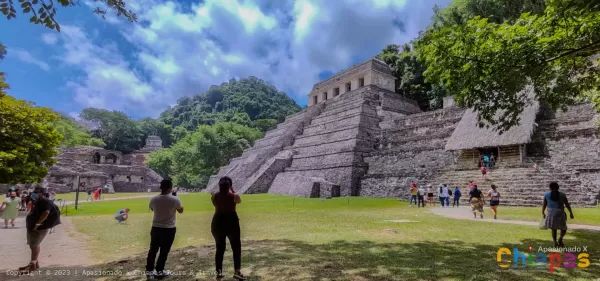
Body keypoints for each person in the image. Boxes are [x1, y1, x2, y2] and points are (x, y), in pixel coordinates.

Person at [146, 179, 183, 280]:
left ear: (160, 187)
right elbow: (181, 210)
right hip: (169, 229)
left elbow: (153, 209)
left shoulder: (154, 199)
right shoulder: (175, 199)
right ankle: (159, 270)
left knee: (153, 250)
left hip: (156, 228)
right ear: (170, 188)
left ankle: (149, 272)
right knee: (164, 251)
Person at [211, 176, 246, 280]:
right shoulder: (235, 196)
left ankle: (219, 272)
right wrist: (232, 190)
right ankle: (237, 271)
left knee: (220, 248)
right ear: (230, 185)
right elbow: (238, 201)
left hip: (218, 221)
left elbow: (215, 204)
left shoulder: (214, 196)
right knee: (236, 247)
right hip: (231, 221)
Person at [19, 187, 54, 273]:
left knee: (34, 245)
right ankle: (35, 263)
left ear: (42, 193)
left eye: (36, 192)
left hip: (39, 228)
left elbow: (46, 213)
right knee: (33, 245)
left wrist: (37, 224)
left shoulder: (46, 201)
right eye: (34, 192)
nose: (34, 193)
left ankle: (32, 266)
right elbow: (33, 210)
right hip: (32, 226)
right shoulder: (36, 201)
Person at [542, 182, 574, 247]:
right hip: (560, 213)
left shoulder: (546, 195)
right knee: (563, 228)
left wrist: (543, 212)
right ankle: (560, 238)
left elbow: (544, 205)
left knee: (554, 229)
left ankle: (555, 242)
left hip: (551, 213)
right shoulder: (562, 195)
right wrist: (571, 213)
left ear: (550, 188)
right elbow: (567, 205)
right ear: (558, 187)